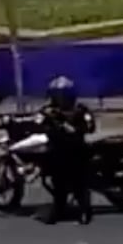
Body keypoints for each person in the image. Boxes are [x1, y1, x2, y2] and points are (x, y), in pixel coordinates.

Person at [39, 77, 95, 225]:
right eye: (57, 95)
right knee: (58, 184)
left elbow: (90, 127)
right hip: (57, 152)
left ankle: (84, 211)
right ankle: (58, 210)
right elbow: (37, 123)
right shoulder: (48, 111)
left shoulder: (81, 110)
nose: (61, 98)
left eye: (63, 95)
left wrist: (72, 128)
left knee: (79, 184)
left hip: (76, 151)